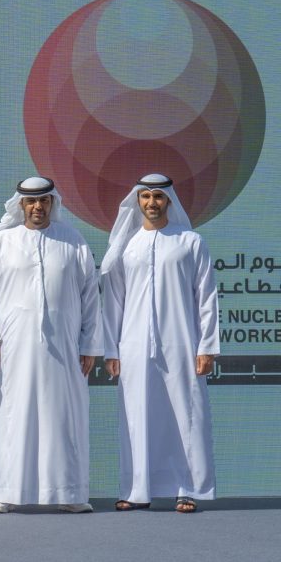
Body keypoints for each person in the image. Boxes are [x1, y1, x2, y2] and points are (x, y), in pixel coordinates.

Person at [0, 177, 101, 514]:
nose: (37, 207)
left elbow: (90, 296)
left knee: (63, 416)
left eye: (43, 201)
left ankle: (69, 493)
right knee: (12, 415)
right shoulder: (1, 241)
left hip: (64, 347)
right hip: (12, 348)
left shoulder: (72, 240)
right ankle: (7, 492)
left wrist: (90, 344)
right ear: (20, 205)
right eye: (31, 201)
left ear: (52, 203)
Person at [102, 174, 218, 514]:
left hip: (182, 342)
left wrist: (207, 346)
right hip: (134, 344)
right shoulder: (126, 246)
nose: (151, 203)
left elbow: (206, 296)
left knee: (187, 414)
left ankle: (188, 489)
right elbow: (113, 302)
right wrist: (111, 349)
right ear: (137, 201)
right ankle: (137, 490)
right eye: (146, 196)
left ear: (169, 200)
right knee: (137, 416)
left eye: (158, 196)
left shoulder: (190, 241)